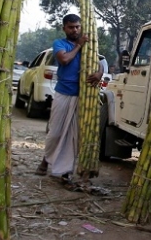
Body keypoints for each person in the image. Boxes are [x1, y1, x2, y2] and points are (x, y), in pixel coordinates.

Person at [36, 14, 102, 180]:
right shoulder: (60, 44)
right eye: (71, 27)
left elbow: (100, 63)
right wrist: (79, 45)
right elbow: (64, 59)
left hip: (83, 96)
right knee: (56, 132)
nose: (75, 30)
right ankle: (46, 160)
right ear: (64, 28)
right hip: (64, 93)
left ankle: (65, 171)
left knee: (74, 135)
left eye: (77, 27)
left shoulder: (88, 45)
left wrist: (100, 73)